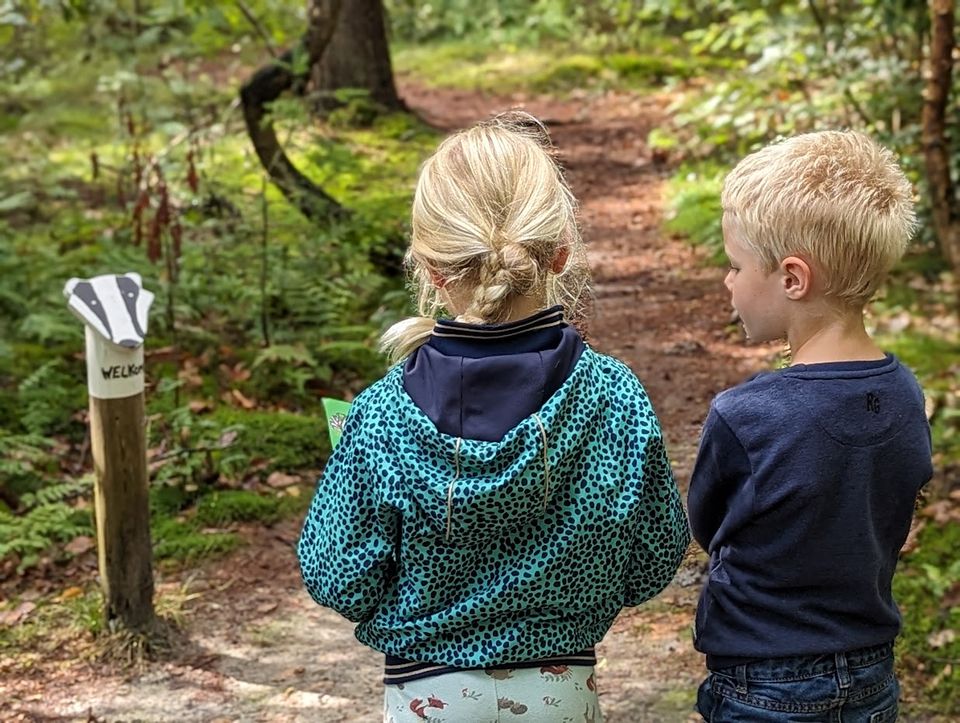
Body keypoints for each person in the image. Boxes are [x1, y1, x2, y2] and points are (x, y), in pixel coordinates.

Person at [297, 111, 690, 722]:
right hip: (562, 690)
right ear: (561, 254)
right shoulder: (615, 398)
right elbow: (654, 554)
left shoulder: (378, 417)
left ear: (429, 268)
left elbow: (336, 574)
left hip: (427, 694)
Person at [688, 130, 934, 722]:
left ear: (793, 278)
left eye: (736, 266)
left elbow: (707, 524)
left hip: (761, 678)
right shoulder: (906, 393)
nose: (728, 282)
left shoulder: (746, 415)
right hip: (872, 671)